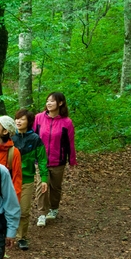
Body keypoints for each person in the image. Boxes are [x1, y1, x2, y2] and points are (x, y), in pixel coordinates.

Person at [33, 92, 77, 226]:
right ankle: (41, 213)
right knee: (42, 187)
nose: (49, 103)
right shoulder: (38, 118)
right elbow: (33, 137)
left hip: (58, 161)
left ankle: (53, 208)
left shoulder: (66, 122)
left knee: (55, 187)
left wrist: (72, 160)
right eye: (47, 101)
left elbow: (70, 142)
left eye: (52, 101)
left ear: (60, 103)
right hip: (41, 161)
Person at [11, 109, 49, 250]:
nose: (19, 121)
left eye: (22, 119)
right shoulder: (9, 137)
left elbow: (42, 160)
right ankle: (5, 235)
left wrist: (44, 178)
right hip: (9, 179)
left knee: (24, 210)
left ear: (29, 122)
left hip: (26, 179)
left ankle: (21, 237)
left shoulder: (35, 139)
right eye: (17, 118)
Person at [0, 116, 23, 201]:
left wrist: (15, 203)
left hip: (4, 195)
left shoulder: (13, 152)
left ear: (5, 131)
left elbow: (16, 179)